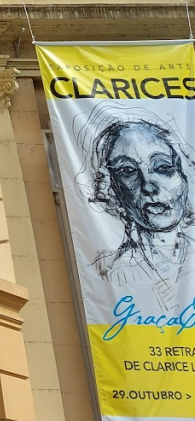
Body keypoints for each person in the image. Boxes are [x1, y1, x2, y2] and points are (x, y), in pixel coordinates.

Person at [81, 108, 195, 314]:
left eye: (162, 167)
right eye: (128, 171)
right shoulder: (105, 271)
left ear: (184, 174)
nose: (148, 186)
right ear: (111, 186)